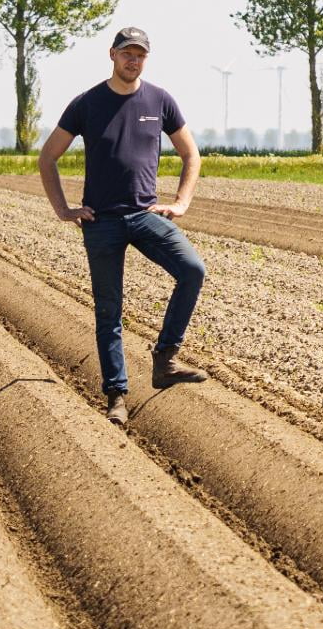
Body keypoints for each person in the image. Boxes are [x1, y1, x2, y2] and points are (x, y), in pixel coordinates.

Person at [38, 25, 207, 426]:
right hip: (102, 222)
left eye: (140, 54)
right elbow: (48, 157)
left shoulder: (161, 100)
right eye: (127, 53)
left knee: (192, 270)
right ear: (111, 55)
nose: (133, 60)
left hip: (145, 215)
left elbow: (191, 154)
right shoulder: (87, 103)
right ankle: (116, 397)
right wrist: (64, 209)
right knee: (109, 312)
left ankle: (165, 359)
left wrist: (182, 202)